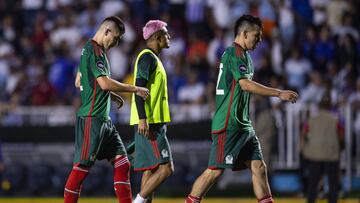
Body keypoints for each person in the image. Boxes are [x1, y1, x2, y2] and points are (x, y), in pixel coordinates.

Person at [185, 14, 298, 203]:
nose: (259, 40)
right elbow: (245, 85)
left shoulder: (245, 56)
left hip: (243, 125)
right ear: (244, 34)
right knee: (214, 172)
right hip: (228, 124)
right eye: (257, 36)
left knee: (259, 167)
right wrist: (278, 93)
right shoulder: (234, 53)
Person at [64, 16, 150, 203]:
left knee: (123, 163)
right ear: (107, 31)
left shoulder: (90, 49)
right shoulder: (94, 50)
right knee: (81, 168)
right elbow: (102, 82)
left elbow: (80, 80)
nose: (116, 43)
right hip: (92, 117)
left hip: (104, 120)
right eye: (116, 38)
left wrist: (109, 95)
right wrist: (135, 88)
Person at [130, 20, 174, 203]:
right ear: (157, 37)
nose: (169, 36)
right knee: (166, 168)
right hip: (151, 123)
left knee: (151, 169)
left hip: (152, 121)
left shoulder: (152, 58)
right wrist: (143, 118)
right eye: (166, 33)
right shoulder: (147, 57)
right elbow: (139, 88)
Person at [300, 93, 343, 203]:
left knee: (313, 184)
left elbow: (304, 134)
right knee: (333, 184)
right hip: (331, 154)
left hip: (315, 154)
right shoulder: (336, 119)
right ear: (329, 105)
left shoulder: (311, 119)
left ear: (319, 105)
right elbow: (341, 136)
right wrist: (340, 147)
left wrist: (303, 149)